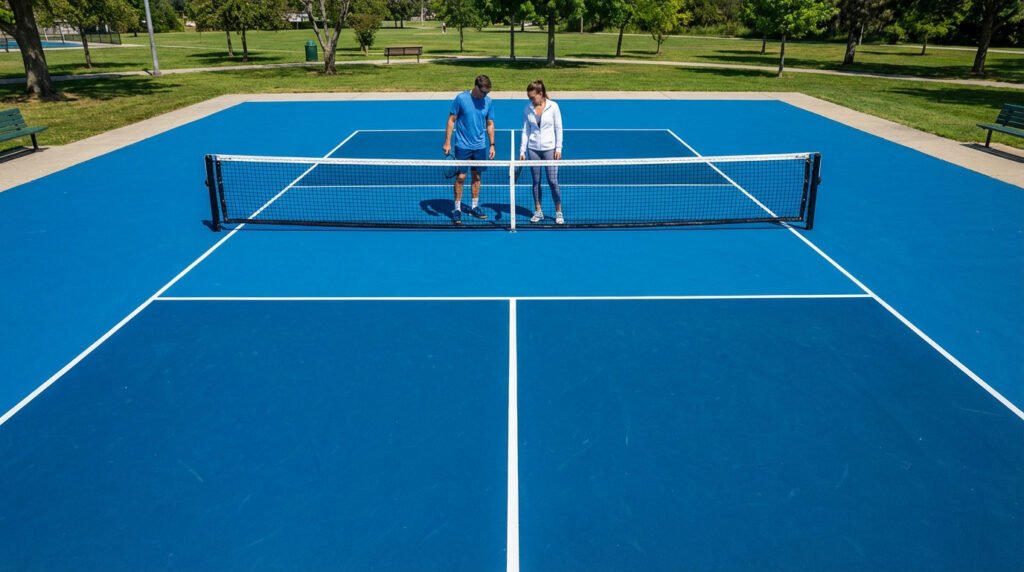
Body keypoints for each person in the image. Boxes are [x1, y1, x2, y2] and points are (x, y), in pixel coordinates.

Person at [443, 75, 496, 225]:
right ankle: (457, 209)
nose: (486, 95)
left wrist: (492, 144)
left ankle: (474, 207)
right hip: (462, 145)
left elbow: (490, 123)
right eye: (484, 92)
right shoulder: (461, 99)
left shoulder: (488, 102)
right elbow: (451, 120)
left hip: (480, 146)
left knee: (477, 177)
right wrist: (447, 142)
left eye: (488, 92)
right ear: (476, 87)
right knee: (460, 177)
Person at [519, 79, 563, 224]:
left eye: (532, 97)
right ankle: (538, 211)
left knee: (553, 181)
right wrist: (522, 150)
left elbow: (558, 128)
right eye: (529, 97)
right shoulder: (527, 109)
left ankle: (558, 212)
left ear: (541, 93)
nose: (531, 100)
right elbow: (525, 130)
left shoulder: (554, 106)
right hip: (533, 149)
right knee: (536, 182)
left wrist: (558, 147)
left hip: (550, 149)